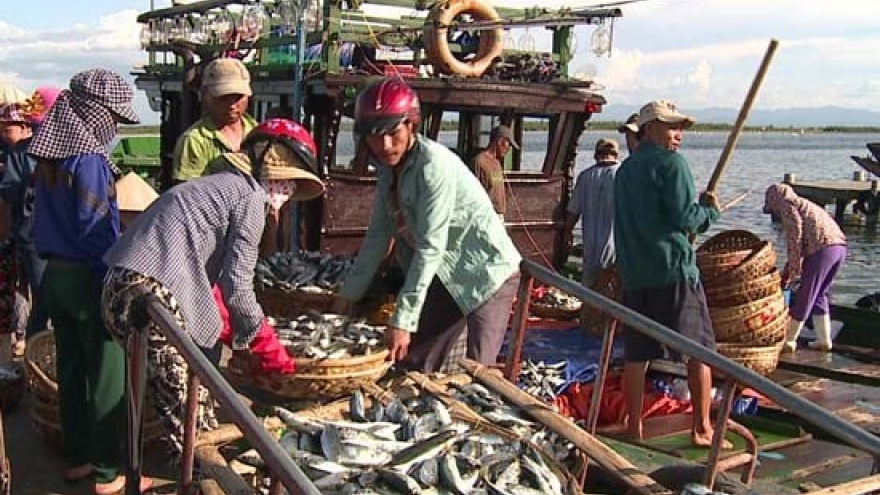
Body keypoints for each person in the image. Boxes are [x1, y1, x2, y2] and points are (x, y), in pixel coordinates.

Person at [101, 119, 323, 461]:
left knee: (182, 387)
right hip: (149, 295)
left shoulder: (219, 186)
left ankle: (159, 466)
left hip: (121, 287)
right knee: (195, 417)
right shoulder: (250, 197)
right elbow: (237, 285)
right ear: (270, 167)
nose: (287, 191)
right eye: (288, 181)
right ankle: (203, 477)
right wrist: (261, 343)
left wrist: (238, 336)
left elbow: (209, 287)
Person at [336, 77, 521, 373]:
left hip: (487, 274)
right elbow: (378, 235)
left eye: (392, 133)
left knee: (479, 373)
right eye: (374, 136)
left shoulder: (434, 165)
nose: (384, 145)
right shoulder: (387, 168)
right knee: (415, 360)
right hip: (445, 275)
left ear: (411, 126)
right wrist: (350, 294)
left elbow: (430, 246)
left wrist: (402, 320)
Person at [27, 69, 149, 495]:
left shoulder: (49, 158)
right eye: (113, 117)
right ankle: (105, 471)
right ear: (94, 112)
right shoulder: (90, 161)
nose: (114, 126)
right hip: (87, 279)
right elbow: (96, 230)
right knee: (107, 374)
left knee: (71, 370)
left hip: (54, 278)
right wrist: (119, 273)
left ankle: (78, 456)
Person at [613, 99, 724, 448]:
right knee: (699, 351)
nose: (679, 136)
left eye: (680, 129)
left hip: (635, 275)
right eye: (672, 127)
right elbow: (685, 218)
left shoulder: (626, 170)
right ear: (649, 129)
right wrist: (709, 212)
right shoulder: (672, 164)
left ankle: (633, 425)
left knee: (637, 354)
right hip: (673, 273)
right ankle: (702, 428)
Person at [0, 87, 60, 349]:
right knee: (45, 296)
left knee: (51, 296)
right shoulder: (23, 152)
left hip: (53, 235)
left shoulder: (54, 148)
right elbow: (10, 191)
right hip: (36, 236)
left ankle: (40, 350)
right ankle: (38, 352)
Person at [763, 183, 846, 352]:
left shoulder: (787, 205)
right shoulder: (804, 203)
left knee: (805, 294)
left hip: (821, 250)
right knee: (820, 294)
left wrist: (793, 270)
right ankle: (824, 340)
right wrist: (792, 266)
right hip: (839, 248)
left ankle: (790, 339)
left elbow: (795, 237)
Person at [172, 57, 257, 183]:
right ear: (205, 94)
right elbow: (187, 196)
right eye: (223, 97)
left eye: (238, 97)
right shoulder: (195, 141)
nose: (232, 105)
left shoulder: (258, 133)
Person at [564, 137, 621, 286]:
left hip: (590, 249)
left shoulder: (585, 176)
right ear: (616, 154)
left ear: (596, 154)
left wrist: (566, 233)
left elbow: (573, 212)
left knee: (589, 293)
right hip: (615, 249)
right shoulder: (623, 174)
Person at [471, 125, 518, 219]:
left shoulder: (497, 163)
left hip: (499, 216)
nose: (509, 149)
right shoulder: (479, 161)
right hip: (486, 216)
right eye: (509, 144)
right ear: (500, 141)